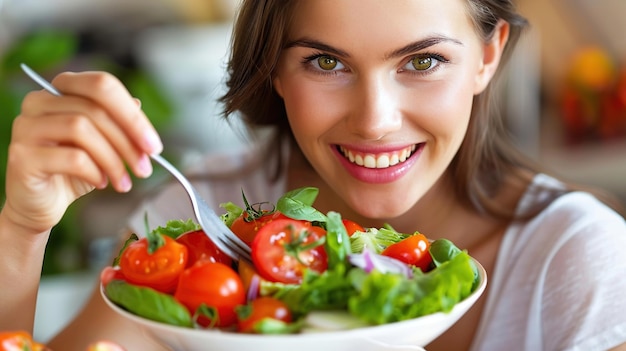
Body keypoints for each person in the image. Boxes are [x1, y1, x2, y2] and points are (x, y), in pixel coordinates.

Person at [1, 0, 625, 350]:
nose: (376, 122)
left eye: (424, 61)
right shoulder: (201, 220)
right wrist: (23, 231)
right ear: (273, 67)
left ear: (487, 57)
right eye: (326, 61)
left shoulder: (578, 260)